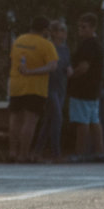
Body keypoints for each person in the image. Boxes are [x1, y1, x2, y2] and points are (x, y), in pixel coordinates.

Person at [7, 19, 57, 161]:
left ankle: (12, 152)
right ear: (45, 30)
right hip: (35, 88)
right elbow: (52, 66)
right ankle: (23, 154)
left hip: (16, 84)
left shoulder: (18, 40)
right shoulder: (46, 45)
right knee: (30, 121)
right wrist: (32, 71)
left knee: (15, 119)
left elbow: (13, 60)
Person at [66, 12, 104, 161]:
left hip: (82, 89)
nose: (80, 30)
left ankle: (80, 153)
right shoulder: (96, 44)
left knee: (82, 122)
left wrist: (71, 74)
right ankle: (99, 151)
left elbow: (84, 67)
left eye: (84, 27)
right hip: (93, 89)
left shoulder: (87, 45)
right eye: (79, 27)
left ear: (93, 27)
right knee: (94, 121)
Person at [40, 19, 69, 162]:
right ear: (53, 33)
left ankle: (37, 150)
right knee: (57, 117)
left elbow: (66, 64)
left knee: (49, 120)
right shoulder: (48, 46)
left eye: (64, 31)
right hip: (50, 86)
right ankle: (55, 152)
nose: (63, 34)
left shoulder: (65, 49)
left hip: (61, 86)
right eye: (60, 31)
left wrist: (69, 69)